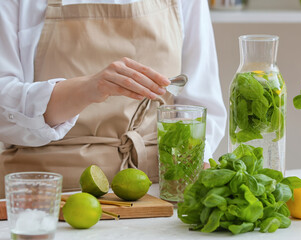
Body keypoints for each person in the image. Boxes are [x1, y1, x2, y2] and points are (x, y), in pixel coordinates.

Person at [0, 0, 226, 198]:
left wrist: (191, 170)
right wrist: (86, 89)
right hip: (45, 194)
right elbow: (4, 113)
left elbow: (200, 104)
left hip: (157, 192)